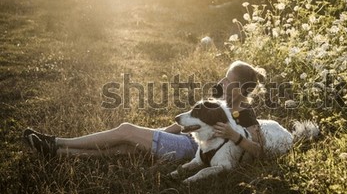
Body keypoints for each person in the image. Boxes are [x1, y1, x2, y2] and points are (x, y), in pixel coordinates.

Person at [23, 60, 267, 161]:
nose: (222, 83)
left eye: (228, 81)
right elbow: (189, 124)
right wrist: (159, 131)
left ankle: (54, 141)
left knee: (126, 130)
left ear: (242, 89)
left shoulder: (245, 114)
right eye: (224, 79)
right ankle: (58, 152)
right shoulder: (217, 101)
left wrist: (234, 136)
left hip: (192, 150)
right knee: (125, 148)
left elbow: (258, 151)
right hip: (183, 139)